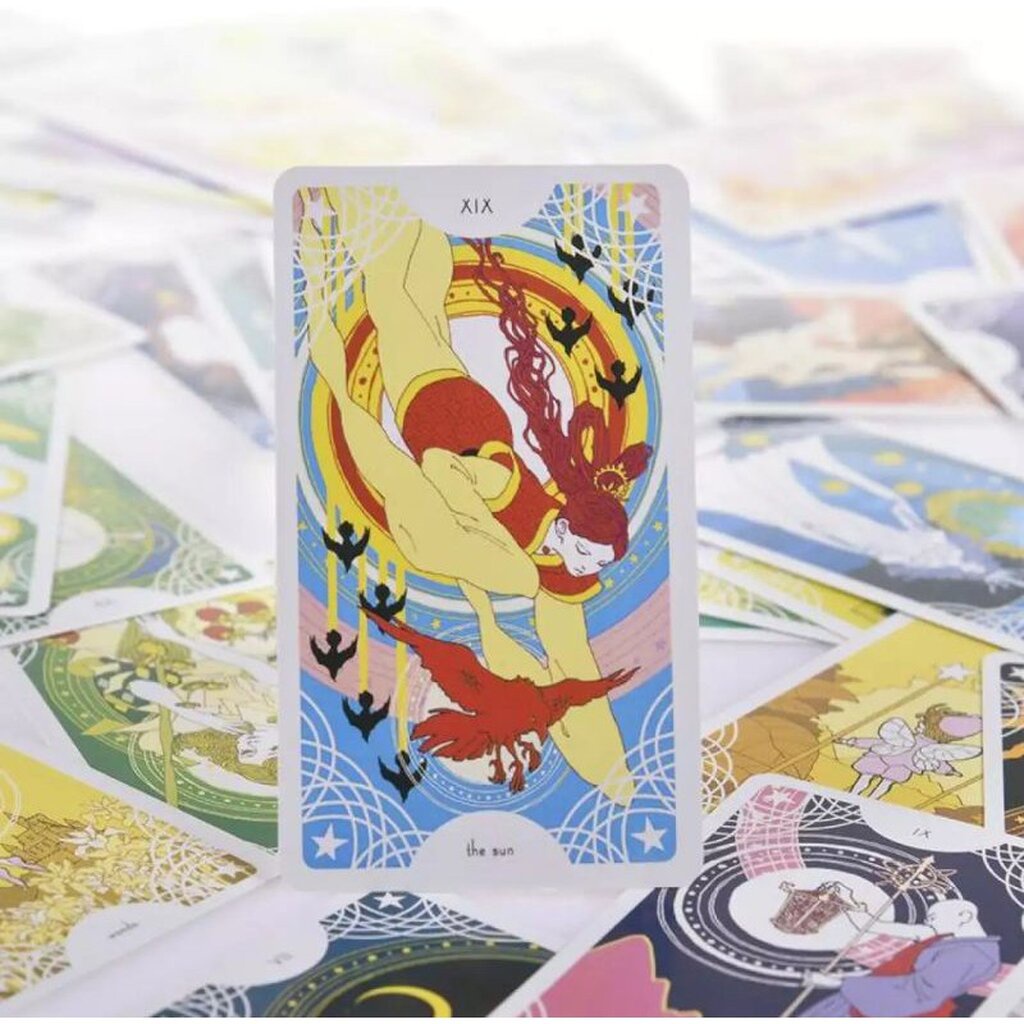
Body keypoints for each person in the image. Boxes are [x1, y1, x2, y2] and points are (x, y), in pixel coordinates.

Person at [297, 187, 652, 801]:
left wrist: (614, 776)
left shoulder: (547, 574)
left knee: (409, 297)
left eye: (594, 563)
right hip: (445, 417)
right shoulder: (521, 521)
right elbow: (443, 467)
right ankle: (363, 198)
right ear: (573, 528)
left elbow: (576, 667)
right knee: (397, 298)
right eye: (588, 554)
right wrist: (466, 512)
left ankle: (377, 202)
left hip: (457, 413)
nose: (586, 568)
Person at [800, 898, 1000, 1016]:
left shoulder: (969, 954)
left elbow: (918, 993)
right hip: (867, 995)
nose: (929, 923)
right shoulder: (952, 940)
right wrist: (850, 906)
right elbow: (879, 926)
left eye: (933, 918)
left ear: (964, 916)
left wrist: (839, 983)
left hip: (876, 1004)